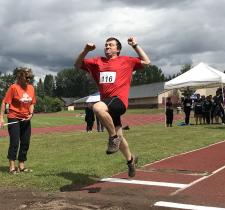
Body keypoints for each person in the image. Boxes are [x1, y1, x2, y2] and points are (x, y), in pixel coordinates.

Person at [74, 36, 150, 177]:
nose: (107, 47)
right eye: (106, 45)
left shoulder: (126, 60)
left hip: (119, 101)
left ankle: (113, 138)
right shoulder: (97, 62)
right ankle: (130, 160)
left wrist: (135, 45)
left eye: (111, 45)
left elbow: (146, 61)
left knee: (97, 108)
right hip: (107, 104)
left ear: (118, 49)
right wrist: (85, 50)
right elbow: (77, 64)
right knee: (120, 136)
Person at [0, 67, 36, 174]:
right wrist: (1, 117)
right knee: (14, 142)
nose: (28, 80)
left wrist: (31, 114)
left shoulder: (31, 88)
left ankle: (21, 166)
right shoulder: (13, 87)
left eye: (30, 78)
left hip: (26, 119)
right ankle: (12, 167)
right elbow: (4, 102)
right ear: (20, 77)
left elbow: (32, 103)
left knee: (25, 143)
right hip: (14, 117)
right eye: (26, 78)